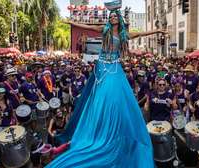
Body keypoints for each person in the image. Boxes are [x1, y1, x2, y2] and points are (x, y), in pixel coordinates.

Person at [46, 2, 165, 167]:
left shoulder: (124, 34)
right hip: (102, 66)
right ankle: (98, 131)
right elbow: (87, 26)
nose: (113, 18)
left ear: (119, 19)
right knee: (103, 96)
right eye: (111, 16)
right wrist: (71, 23)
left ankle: (118, 130)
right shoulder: (105, 29)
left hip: (115, 66)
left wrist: (157, 30)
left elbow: (141, 34)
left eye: (115, 16)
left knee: (118, 98)